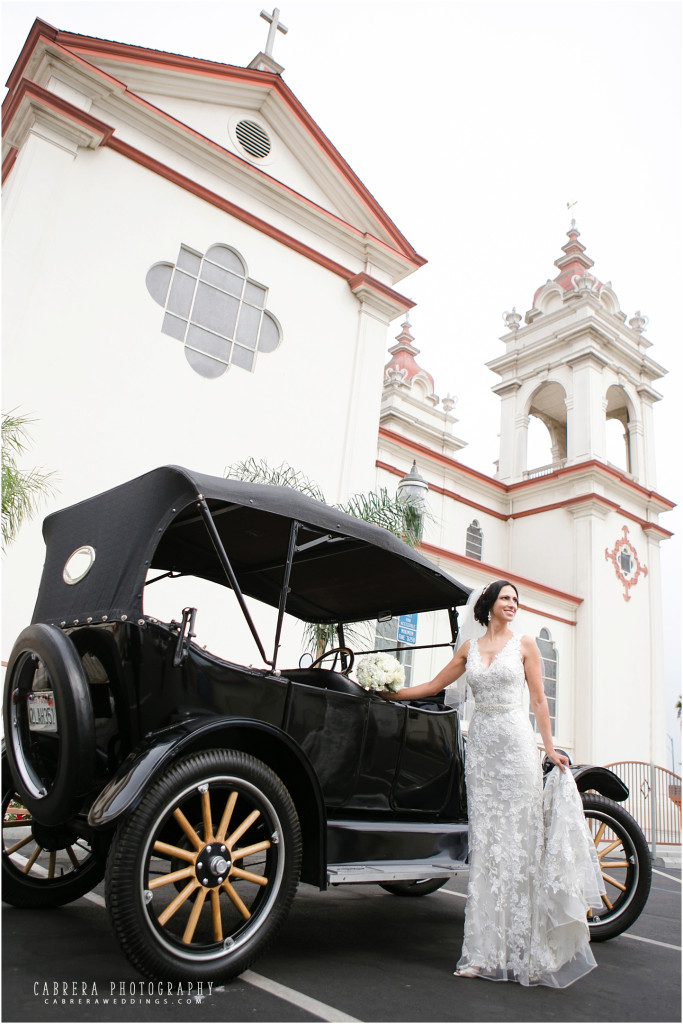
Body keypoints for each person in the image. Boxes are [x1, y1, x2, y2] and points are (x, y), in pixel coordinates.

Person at [381, 579, 605, 987]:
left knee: (518, 846)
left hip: (516, 750)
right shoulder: (468, 649)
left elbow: (538, 699)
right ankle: (481, 953)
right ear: (488, 604)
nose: (513, 604)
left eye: (516, 600)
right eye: (505, 598)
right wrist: (391, 693)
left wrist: (549, 749)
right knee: (486, 850)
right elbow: (435, 686)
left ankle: (525, 950)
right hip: (482, 754)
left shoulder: (525, 645)